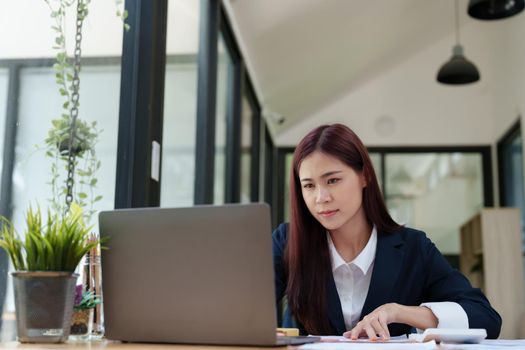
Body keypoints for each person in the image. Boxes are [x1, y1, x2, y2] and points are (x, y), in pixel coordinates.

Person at [272, 123, 501, 340]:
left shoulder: (413, 247)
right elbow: (244, 311)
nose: (321, 198)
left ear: (365, 176)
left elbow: (485, 318)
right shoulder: (287, 242)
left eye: (332, 180)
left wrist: (398, 312)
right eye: (309, 185)